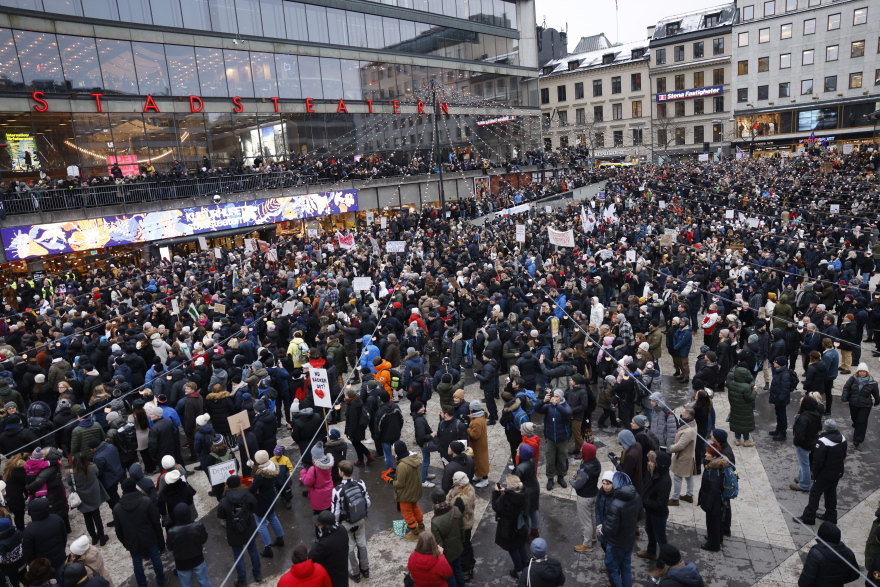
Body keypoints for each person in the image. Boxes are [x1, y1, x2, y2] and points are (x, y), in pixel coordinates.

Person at [111, 479, 165, 587]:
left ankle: (142, 584)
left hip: (132, 540)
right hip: (149, 536)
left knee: (137, 563)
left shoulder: (117, 508)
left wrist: (125, 542)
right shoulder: (146, 501)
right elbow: (155, 521)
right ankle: (161, 580)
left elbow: (118, 530)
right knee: (155, 558)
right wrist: (159, 536)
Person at [797, 419, 847, 526]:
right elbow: (843, 456)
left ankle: (808, 517)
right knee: (831, 493)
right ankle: (831, 515)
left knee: (815, 494)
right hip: (837, 472)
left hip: (824, 474)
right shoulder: (842, 438)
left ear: (826, 428)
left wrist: (814, 474)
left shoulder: (823, 441)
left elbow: (817, 461)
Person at [600, 471, 643, 587]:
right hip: (629, 540)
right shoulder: (636, 496)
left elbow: (611, 530)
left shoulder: (616, 504)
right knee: (626, 569)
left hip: (616, 543)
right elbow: (640, 516)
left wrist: (602, 528)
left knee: (612, 569)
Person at [330, 460, 371, 582]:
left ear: (342, 473)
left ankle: (355, 573)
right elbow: (367, 502)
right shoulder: (360, 483)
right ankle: (365, 569)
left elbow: (336, 512)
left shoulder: (337, 490)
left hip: (346, 523)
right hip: (360, 520)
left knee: (349, 548)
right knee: (362, 544)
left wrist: (336, 525)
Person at [217, 475, 262, 586]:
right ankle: (257, 574)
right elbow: (254, 506)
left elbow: (220, 515)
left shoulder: (224, 499)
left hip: (234, 530)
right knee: (253, 550)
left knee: (238, 555)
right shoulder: (247, 495)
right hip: (248, 527)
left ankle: (242, 580)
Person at [797, 521, 860, 587]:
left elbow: (806, 578)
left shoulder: (816, 553)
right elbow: (855, 574)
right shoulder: (849, 552)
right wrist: (838, 581)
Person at [491, 475, 530, 579]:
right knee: (520, 544)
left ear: (511, 487)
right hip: (521, 526)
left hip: (509, 527)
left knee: (513, 548)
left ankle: (519, 570)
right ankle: (525, 564)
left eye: (507, 484)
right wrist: (506, 492)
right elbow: (513, 498)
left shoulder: (506, 498)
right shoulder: (523, 493)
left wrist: (496, 493)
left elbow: (496, 507)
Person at [67, 454, 110, 546]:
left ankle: (94, 538)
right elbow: (97, 473)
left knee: (87, 518)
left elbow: (69, 483)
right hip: (94, 495)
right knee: (97, 516)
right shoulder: (92, 468)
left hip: (82, 497)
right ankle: (102, 538)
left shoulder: (71, 473)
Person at [248, 450, 284, 558]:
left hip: (262, 500)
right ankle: (280, 538)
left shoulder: (259, 476)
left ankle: (267, 548)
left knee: (261, 523)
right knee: (272, 516)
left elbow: (252, 489)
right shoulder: (272, 466)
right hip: (271, 496)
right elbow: (262, 468)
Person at [166, 503, 211, 587]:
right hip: (198, 560)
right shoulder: (198, 526)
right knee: (204, 582)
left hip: (182, 564)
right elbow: (204, 539)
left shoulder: (171, 532)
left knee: (186, 585)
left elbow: (170, 547)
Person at [536, 389, 572, 491]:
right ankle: (550, 478)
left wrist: (556, 405)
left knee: (562, 458)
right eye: (554, 396)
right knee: (550, 459)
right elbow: (537, 409)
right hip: (551, 438)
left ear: (561, 398)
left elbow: (567, 413)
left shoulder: (565, 406)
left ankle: (561, 477)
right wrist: (542, 401)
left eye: (557, 396)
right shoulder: (548, 407)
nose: (555, 398)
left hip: (562, 438)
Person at [639, 451, 672, 561]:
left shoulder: (664, 481)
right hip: (650, 511)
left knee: (661, 539)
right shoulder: (656, 473)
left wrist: (645, 501)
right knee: (649, 530)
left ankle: (662, 564)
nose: (649, 463)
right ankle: (651, 552)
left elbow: (660, 504)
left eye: (652, 461)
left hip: (658, 515)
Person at [429, 487, 465, 587]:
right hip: (458, 548)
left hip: (447, 554)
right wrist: (462, 543)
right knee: (458, 569)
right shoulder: (456, 510)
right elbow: (462, 529)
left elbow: (438, 543)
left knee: (449, 575)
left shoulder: (435, 521)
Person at [389, 441, 424, 541]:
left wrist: (390, 480)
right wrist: (397, 472)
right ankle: (421, 527)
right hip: (414, 491)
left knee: (408, 514)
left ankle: (415, 533)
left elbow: (399, 484)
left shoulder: (402, 465)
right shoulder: (412, 459)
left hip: (406, 494)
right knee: (416, 508)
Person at [697, 441, 728, 552]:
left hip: (713, 502)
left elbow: (714, 490)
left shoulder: (714, 470)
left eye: (708, 453)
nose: (705, 454)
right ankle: (716, 538)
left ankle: (713, 544)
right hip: (717, 502)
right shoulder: (715, 465)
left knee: (712, 523)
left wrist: (708, 504)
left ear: (714, 456)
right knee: (716, 522)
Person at [840, 362, 880, 448]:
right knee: (855, 419)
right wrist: (844, 398)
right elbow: (846, 388)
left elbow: (876, 393)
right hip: (853, 403)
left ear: (867, 372)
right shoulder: (853, 379)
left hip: (865, 405)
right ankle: (857, 426)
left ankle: (857, 439)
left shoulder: (872, 383)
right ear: (858, 372)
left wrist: (877, 401)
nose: (862, 373)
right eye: (860, 371)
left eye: (864, 371)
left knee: (861, 421)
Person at [446, 471, 476, 582]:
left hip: (462, 526)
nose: (452, 479)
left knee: (463, 549)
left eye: (454, 478)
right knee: (467, 544)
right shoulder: (470, 488)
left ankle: (465, 571)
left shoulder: (460, 499)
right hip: (469, 521)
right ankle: (471, 564)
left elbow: (455, 515)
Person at [571, 442, 600, 552]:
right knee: (592, 516)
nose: (581, 450)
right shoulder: (596, 463)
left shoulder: (585, 469)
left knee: (586, 522)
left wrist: (572, 479)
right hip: (594, 494)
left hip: (584, 497)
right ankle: (593, 535)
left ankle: (587, 544)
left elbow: (577, 484)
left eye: (583, 449)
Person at [791, 395, 823, 492]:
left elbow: (799, 434)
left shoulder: (804, 417)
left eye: (801, 401)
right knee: (805, 462)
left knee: (804, 464)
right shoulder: (816, 414)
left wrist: (796, 442)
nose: (800, 403)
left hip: (803, 444)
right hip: (811, 442)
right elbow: (819, 428)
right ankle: (802, 478)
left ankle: (804, 484)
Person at [309, 510, 349, 587]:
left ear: (326, 525)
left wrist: (318, 539)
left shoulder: (324, 543)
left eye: (319, 524)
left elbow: (312, 556)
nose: (317, 525)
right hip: (343, 571)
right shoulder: (341, 528)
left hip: (331, 576)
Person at [667, 408, 697, 506]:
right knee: (689, 476)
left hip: (683, 457)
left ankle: (675, 499)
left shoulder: (688, 431)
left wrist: (670, 448)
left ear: (688, 416)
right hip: (689, 456)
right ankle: (689, 495)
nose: (681, 413)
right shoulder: (692, 424)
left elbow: (680, 446)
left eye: (683, 413)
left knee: (677, 477)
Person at [726, 363, 757, 447]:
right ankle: (746, 440)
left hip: (735, 407)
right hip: (745, 409)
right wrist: (754, 391)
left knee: (737, 423)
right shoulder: (746, 387)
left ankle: (737, 439)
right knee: (744, 424)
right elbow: (750, 398)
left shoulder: (731, 384)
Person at [514, 443, 540, 538]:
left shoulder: (520, 468)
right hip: (535, 488)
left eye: (518, 450)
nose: (517, 450)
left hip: (526, 491)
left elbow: (515, 483)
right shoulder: (532, 461)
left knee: (526, 513)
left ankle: (527, 534)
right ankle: (535, 530)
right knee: (534, 510)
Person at [769, 356, 794, 441]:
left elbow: (785, 389)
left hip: (780, 400)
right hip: (778, 398)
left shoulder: (784, 375)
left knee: (782, 416)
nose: (773, 363)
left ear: (779, 364)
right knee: (779, 415)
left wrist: (780, 399)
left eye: (775, 362)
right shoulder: (779, 372)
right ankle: (778, 429)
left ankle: (782, 433)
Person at [465, 401, 489, 488]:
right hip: (480, 444)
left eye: (470, 408)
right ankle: (479, 475)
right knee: (477, 461)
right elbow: (473, 417)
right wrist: (468, 417)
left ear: (473, 409)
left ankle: (485, 479)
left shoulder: (477, 422)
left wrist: (468, 429)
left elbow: (475, 435)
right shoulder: (480, 415)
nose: (469, 409)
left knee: (481, 462)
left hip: (478, 445)